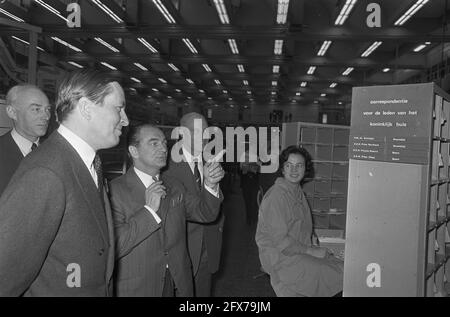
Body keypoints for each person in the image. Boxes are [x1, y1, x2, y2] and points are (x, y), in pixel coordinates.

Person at [0, 69, 129, 296]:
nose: (125, 120)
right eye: (118, 108)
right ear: (87, 109)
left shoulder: (87, 163)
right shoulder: (46, 172)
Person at [110, 124, 224, 296]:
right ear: (134, 151)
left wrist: (210, 184)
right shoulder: (115, 191)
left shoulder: (173, 186)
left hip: (178, 282)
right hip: (140, 287)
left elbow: (205, 213)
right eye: (154, 143)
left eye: (164, 143)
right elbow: (115, 246)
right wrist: (149, 211)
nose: (163, 148)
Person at [255, 146, 343, 297]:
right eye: (289, 165)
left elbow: (303, 226)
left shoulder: (296, 191)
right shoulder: (276, 197)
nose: (294, 170)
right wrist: (313, 251)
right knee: (338, 272)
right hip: (282, 258)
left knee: (340, 267)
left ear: (305, 169)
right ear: (282, 169)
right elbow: (282, 242)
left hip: (297, 251)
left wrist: (314, 244)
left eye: (299, 165)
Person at [163, 112, 225, 297]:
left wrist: (213, 185)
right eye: (198, 131)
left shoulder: (210, 159)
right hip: (181, 250)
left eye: (207, 131)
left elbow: (215, 202)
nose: (205, 136)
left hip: (208, 246)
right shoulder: (165, 164)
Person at [0, 84, 50, 196]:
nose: (46, 116)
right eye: (36, 109)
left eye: (47, 109)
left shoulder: (56, 150)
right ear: (12, 112)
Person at [239, 149, 260, 225]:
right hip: (246, 180)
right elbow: (241, 168)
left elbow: (259, 168)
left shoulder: (257, 156)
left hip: (254, 180)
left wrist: (253, 167)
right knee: (247, 200)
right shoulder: (243, 155)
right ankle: (249, 218)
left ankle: (252, 218)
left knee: (253, 201)